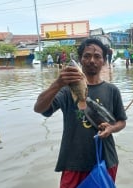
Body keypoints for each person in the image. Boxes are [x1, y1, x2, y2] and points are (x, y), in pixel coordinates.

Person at [34, 38, 127, 188]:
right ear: (80, 60)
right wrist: (57, 83)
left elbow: (121, 121)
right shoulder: (65, 90)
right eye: (87, 56)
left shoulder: (112, 90)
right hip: (73, 162)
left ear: (103, 61)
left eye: (97, 56)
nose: (92, 60)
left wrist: (111, 128)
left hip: (105, 160)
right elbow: (39, 108)